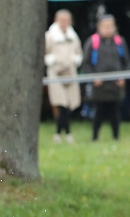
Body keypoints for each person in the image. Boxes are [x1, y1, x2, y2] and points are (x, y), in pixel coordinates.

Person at [81, 15, 129, 142]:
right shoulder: (93, 42)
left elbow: (127, 62)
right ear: (99, 27)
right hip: (99, 85)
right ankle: (95, 137)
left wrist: (123, 77)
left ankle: (116, 137)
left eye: (110, 26)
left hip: (116, 85)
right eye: (105, 26)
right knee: (99, 112)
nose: (108, 29)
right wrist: (93, 78)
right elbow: (86, 64)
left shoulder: (120, 41)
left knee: (115, 112)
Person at [45, 9, 82, 143]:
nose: (65, 23)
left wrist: (74, 60)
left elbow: (79, 52)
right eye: (62, 20)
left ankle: (62, 133)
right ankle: (64, 133)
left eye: (67, 20)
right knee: (61, 104)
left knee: (68, 104)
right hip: (56, 73)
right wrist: (52, 60)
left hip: (70, 72)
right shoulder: (50, 36)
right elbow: (45, 52)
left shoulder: (73, 36)